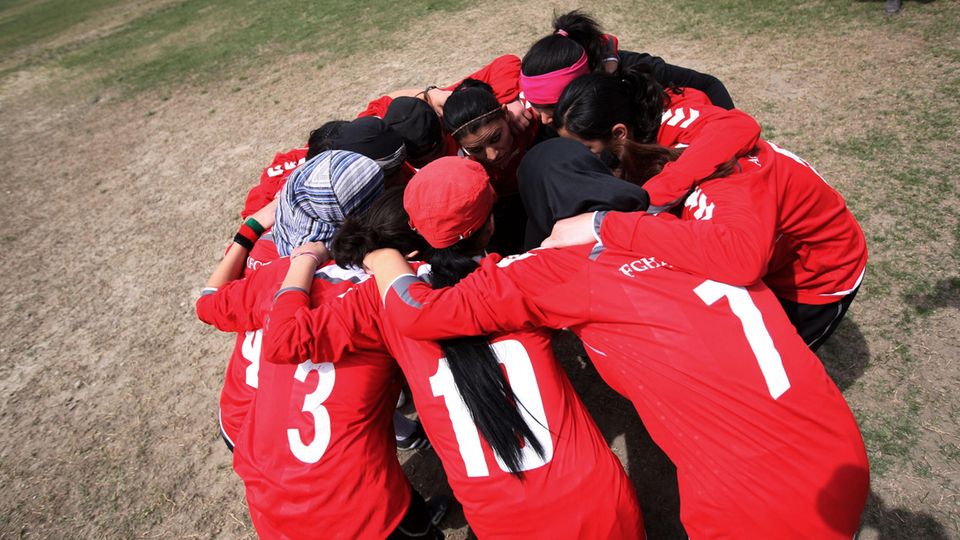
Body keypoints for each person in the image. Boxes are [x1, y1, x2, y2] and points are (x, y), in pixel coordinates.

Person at [362, 140, 870, 539]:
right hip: (832, 443)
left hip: (754, 503)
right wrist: (608, 223)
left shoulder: (548, 271)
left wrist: (381, 257)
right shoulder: (681, 225)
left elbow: (418, 314)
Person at [261, 159, 646, 538]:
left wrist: (307, 258)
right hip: (597, 503)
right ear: (490, 223)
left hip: (501, 522)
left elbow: (282, 340)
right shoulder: (521, 274)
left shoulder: (377, 301)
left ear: (410, 234)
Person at [196, 150, 444, 538]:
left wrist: (254, 228)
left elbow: (207, 302)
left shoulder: (279, 274)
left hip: (270, 498)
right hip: (360, 508)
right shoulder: (390, 291)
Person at [547, 94, 867, 350]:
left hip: (818, 278)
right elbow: (729, 119)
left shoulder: (723, 185)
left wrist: (608, 224)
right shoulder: (670, 126)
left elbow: (741, 259)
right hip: (775, 247)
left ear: (620, 134)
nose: (592, 163)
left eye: (589, 150)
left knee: (772, 362)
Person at [552, 67, 761, 215]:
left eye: (588, 148)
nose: (581, 157)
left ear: (619, 134)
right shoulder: (639, 133)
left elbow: (739, 125)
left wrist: (649, 198)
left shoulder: (679, 121)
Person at [520, 10, 734, 128]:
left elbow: (709, 84)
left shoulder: (639, 71)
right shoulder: (541, 115)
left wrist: (731, 130)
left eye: (552, 108)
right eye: (537, 108)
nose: (544, 119)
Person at [443, 80, 547, 253]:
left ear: (506, 115)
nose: (492, 155)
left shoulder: (533, 119)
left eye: (496, 138)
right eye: (476, 149)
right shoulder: (459, 165)